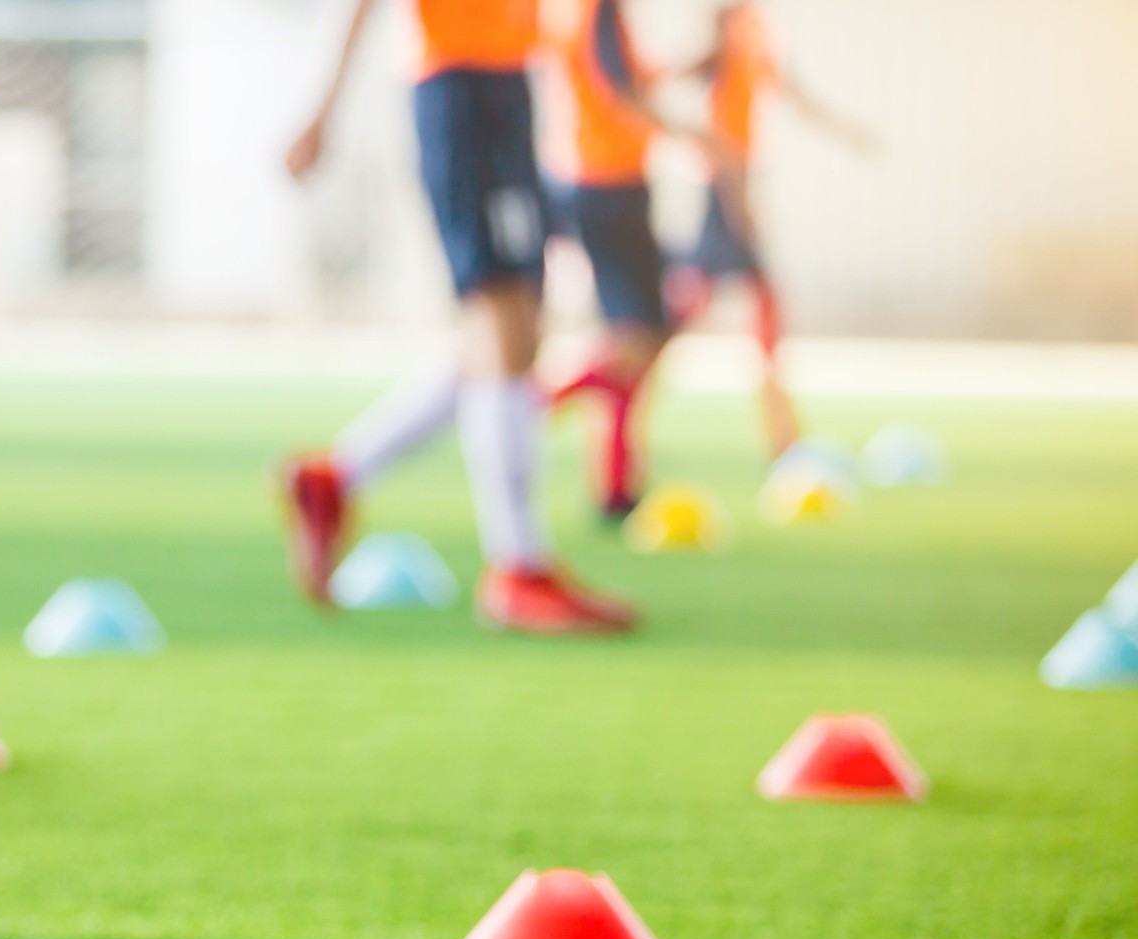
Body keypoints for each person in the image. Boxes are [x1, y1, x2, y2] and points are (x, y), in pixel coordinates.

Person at [280, 0, 634, 633]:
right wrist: (320, 109)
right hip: (458, 87)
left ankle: (334, 477)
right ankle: (519, 570)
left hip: (504, 83)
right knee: (502, 317)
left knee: (515, 327)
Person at [540, 0, 733, 517]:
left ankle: (616, 482)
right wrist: (695, 136)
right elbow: (620, 89)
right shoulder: (595, 9)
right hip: (606, 186)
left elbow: (630, 77)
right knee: (639, 339)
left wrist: (694, 64)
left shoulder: (597, 14)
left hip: (605, 183)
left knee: (639, 335)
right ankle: (532, 407)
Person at [667, 1, 875, 460]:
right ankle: (784, 436)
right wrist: (738, 202)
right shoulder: (725, 31)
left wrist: (848, 131)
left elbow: (793, 93)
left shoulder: (759, 31)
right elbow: (681, 82)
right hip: (724, 187)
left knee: (732, 308)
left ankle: (784, 435)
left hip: (737, 183)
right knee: (690, 316)